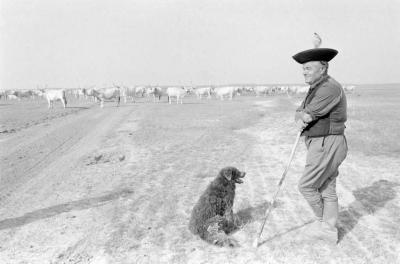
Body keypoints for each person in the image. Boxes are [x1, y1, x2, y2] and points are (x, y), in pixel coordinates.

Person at [292, 43, 348, 244]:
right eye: (303, 69)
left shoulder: (329, 88)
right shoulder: (316, 88)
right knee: (326, 188)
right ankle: (328, 229)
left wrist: (302, 116)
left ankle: (323, 224)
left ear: (322, 68)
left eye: (308, 68)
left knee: (306, 186)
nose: (304, 73)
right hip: (323, 143)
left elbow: (306, 115)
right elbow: (298, 113)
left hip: (327, 143)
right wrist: (301, 116)